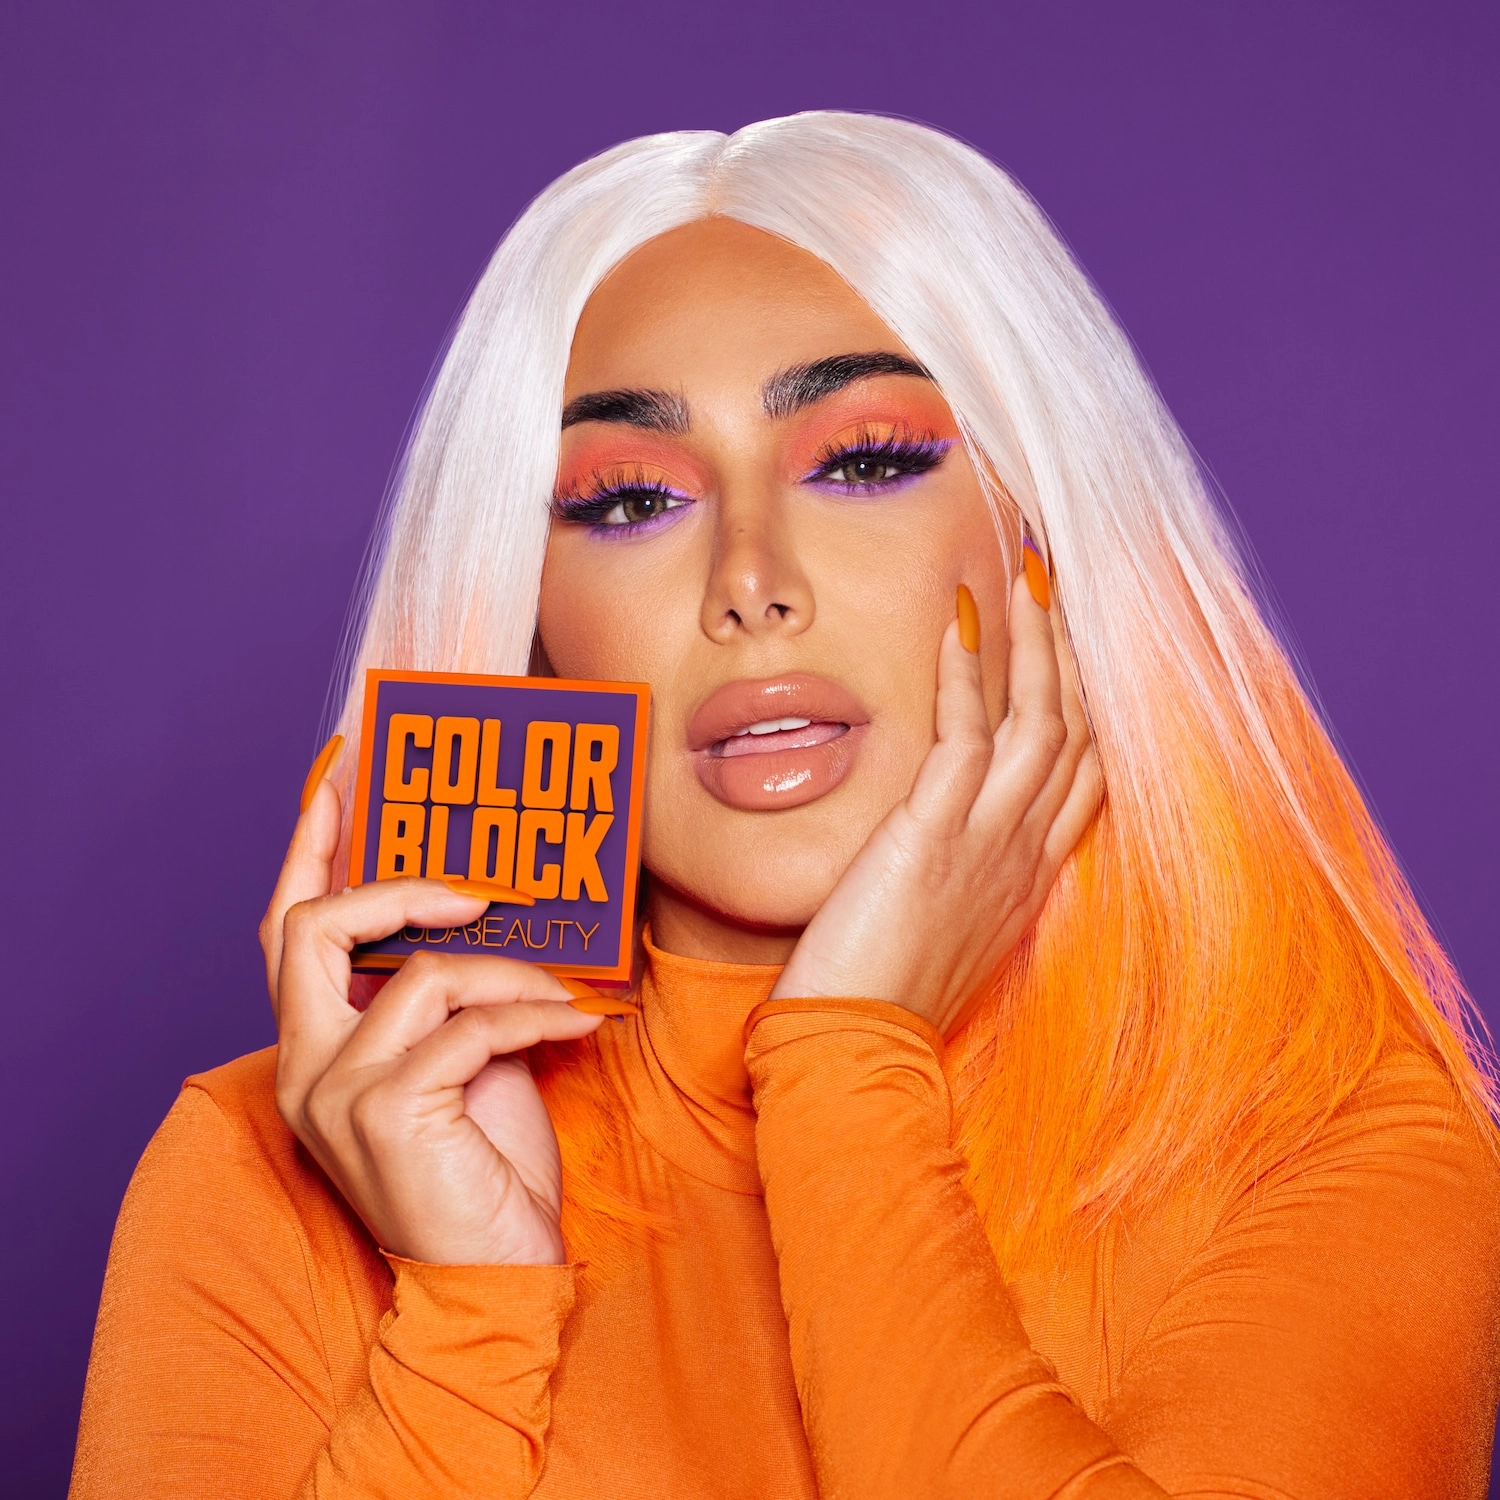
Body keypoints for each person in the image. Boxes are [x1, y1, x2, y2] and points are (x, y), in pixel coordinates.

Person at [69, 112, 1500, 1499]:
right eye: (630, 501)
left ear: (1044, 541)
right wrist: (467, 1319)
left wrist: (846, 1065)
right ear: (531, 615)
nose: (751, 583)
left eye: (865, 463)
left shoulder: (1331, 1135)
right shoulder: (276, 1162)